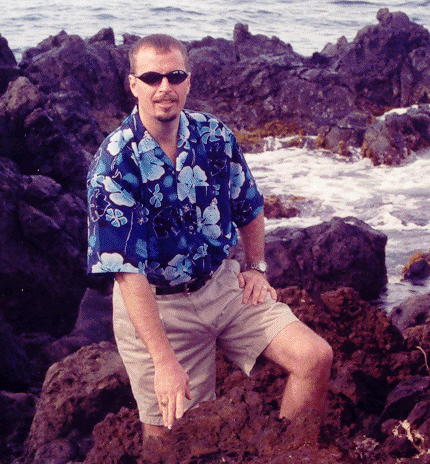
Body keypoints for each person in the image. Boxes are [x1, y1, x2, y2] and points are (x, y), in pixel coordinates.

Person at [87, 33, 333, 440]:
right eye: (151, 78)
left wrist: (255, 266)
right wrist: (165, 362)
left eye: (174, 75)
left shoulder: (213, 135)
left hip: (222, 285)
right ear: (134, 85)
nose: (164, 87)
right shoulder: (114, 163)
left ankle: (289, 454)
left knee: (313, 358)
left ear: (188, 80)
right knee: (169, 437)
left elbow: (249, 204)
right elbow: (127, 274)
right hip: (157, 308)